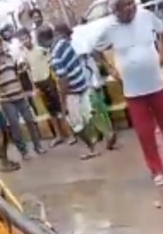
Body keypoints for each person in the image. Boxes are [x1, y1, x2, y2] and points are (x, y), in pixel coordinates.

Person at [96, 0, 163, 185]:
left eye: (132, 3)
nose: (130, 8)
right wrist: (110, 69)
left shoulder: (146, 16)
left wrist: (162, 56)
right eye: (125, 6)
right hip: (133, 91)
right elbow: (95, 49)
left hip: (157, 84)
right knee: (145, 134)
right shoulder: (109, 28)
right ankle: (156, 170)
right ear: (115, 11)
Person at [49, 23, 114, 159]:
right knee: (90, 114)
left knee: (76, 124)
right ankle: (108, 134)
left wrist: (63, 102)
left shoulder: (55, 55)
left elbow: (63, 79)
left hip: (72, 91)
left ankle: (91, 148)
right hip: (82, 85)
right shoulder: (66, 44)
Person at [19, 27, 74, 146]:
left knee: (60, 109)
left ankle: (69, 134)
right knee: (51, 112)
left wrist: (55, 80)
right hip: (39, 84)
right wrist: (34, 87)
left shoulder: (41, 50)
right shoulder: (24, 55)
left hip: (49, 80)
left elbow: (51, 65)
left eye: (26, 38)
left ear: (30, 37)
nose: (25, 41)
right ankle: (58, 135)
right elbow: (29, 72)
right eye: (22, 40)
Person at [0, 35, 44, 157]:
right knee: (15, 126)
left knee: (30, 121)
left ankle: (38, 146)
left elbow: (17, 72)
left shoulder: (10, 57)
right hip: (6, 99)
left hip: (19, 94)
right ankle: (23, 151)